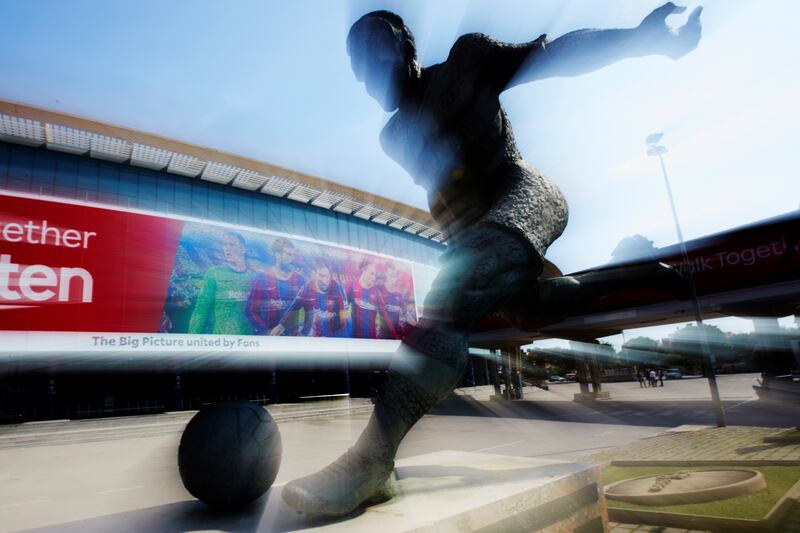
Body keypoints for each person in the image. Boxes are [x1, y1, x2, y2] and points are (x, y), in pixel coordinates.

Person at [283, 3, 702, 516]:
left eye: (373, 58)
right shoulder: (394, 136)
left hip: (528, 195)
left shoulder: (467, 62)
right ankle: (635, 272)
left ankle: (372, 462)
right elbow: (451, 194)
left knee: (449, 302)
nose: (367, 78)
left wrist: (641, 38)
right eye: (358, 70)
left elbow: (554, 54)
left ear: (404, 49)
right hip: (485, 227)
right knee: (541, 309)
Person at [188, 232, 256, 335]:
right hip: (222, 340)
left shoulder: (254, 277)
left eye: (232, 244)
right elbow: (200, 311)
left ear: (243, 249)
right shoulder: (214, 274)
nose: (227, 248)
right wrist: (191, 338)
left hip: (249, 341)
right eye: (225, 244)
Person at [247, 237, 305, 336]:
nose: (291, 258)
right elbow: (250, 310)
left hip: (292, 339)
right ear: (277, 254)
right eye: (288, 254)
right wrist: (266, 332)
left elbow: (306, 310)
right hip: (268, 339)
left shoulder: (300, 280)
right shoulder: (262, 278)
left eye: (293, 255)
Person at [298, 258, 347, 337]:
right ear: (315, 274)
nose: (325, 280)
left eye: (327, 276)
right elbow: (296, 304)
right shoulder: (308, 286)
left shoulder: (337, 287)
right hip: (313, 333)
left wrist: (343, 326)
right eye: (321, 276)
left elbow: (343, 308)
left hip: (332, 333)